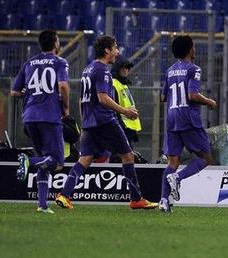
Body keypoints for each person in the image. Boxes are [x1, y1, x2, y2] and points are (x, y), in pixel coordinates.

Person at [55, 35, 157, 210]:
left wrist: (85, 119)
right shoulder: (103, 71)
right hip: (104, 121)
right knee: (128, 156)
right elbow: (103, 98)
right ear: (107, 50)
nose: (117, 52)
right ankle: (136, 199)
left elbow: (82, 100)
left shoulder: (87, 69)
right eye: (115, 48)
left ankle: (64, 195)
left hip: (89, 122)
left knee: (85, 159)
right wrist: (125, 111)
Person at [10, 30, 70, 214]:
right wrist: (65, 107)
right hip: (50, 116)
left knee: (45, 161)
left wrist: (29, 94)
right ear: (55, 44)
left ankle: (42, 205)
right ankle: (29, 161)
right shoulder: (59, 62)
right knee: (57, 162)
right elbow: (63, 86)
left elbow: (14, 92)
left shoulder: (29, 63)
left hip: (29, 116)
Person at [159, 35, 217, 212]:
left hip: (171, 117)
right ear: (189, 50)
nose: (195, 49)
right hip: (188, 117)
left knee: (173, 161)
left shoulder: (170, 70)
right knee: (205, 157)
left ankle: (163, 200)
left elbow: (163, 97)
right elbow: (192, 95)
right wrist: (209, 102)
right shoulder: (194, 69)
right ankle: (178, 179)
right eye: (194, 46)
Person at [111, 56, 142, 149]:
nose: (126, 70)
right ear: (118, 69)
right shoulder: (114, 84)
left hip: (127, 128)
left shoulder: (123, 84)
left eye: (128, 68)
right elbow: (113, 108)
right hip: (121, 128)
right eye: (123, 68)